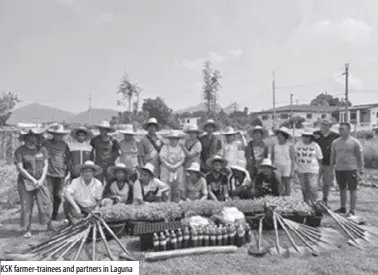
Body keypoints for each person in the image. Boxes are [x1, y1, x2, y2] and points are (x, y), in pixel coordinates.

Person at [14, 128, 52, 237]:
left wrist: (41, 180)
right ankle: (27, 229)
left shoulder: (42, 149)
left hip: (41, 181)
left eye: (36, 136)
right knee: (27, 206)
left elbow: (46, 165)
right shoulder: (20, 151)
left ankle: (49, 224)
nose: (34, 138)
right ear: (26, 138)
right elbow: (20, 168)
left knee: (46, 203)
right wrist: (33, 180)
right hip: (25, 182)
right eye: (31, 136)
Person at [330, 122, 364, 217]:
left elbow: (360, 156)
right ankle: (343, 207)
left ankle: (352, 210)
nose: (340, 131)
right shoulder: (335, 142)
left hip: (351, 169)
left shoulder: (355, 142)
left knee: (352, 189)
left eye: (342, 129)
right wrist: (331, 168)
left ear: (349, 130)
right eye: (339, 129)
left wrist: (361, 168)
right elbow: (333, 156)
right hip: (339, 169)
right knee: (342, 188)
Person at [63, 161, 104, 225]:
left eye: (90, 171)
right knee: (66, 203)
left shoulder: (98, 183)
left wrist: (96, 208)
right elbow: (67, 193)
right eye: (85, 171)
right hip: (79, 206)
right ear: (82, 172)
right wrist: (76, 207)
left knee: (89, 223)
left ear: (93, 173)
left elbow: (99, 199)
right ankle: (75, 221)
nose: (87, 173)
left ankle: (84, 220)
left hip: (91, 208)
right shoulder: (76, 181)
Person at [44, 124, 70, 221]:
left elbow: (68, 158)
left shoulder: (64, 145)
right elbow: (39, 135)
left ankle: (55, 214)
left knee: (58, 195)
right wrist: (49, 126)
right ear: (53, 134)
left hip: (60, 173)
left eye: (60, 135)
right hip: (49, 173)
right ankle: (48, 216)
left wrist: (68, 169)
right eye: (56, 134)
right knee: (48, 195)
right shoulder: (46, 143)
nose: (58, 136)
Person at [314, 120, 339, 206]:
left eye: (326, 125)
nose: (324, 127)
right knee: (314, 182)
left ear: (330, 126)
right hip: (316, 163)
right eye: (322, 125)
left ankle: (325, 199)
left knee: (326, 183)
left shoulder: (335, 136)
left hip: (329, 163)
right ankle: (314, 200)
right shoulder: (315, 134)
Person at [90, 121, 120, 195]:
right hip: (98, 165)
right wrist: (92, 162)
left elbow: (117, 152)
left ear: (108, 130)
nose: (103, 131)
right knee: (98, 184)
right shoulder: (95, 140)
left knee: (110, 183)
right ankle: (98, 198)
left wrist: (112, 159)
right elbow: (91, 151)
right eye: (101, 129)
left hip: (110, 166)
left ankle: (110, 198)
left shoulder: (113, 141)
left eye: (105, 129)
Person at [294, 128, 323, 204]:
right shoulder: (298, 144)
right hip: (301, 170)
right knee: (304, 189)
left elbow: (320, 158)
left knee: (313, 188)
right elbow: (294, 156)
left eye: (307, 136)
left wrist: (320, 169)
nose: (305, 138)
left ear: (311, 137)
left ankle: (315, 204)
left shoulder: (315, 145)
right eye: (304, 136)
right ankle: (306, 204)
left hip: (313, 170)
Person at [159, 131, 186, 202]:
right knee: (165, 186)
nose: (173, 140)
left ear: (177, 140)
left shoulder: (180, 148)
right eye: (171, 138)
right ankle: (166, 202)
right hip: (166, 169)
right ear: (169, 139)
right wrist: (169, 166)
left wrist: (176, 166)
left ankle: (177, 202)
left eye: (175, 139)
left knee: (178, 186)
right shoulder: (165, 147)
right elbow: (161, 157)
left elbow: (183, 159)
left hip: (178, 169)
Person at [271, 127, 295, 196]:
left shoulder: (290, 145)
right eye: (278, 134)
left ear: (285, 136)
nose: (279, 136)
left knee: (287, 183)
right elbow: (272, 156)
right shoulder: (274, 145)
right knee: (279, 183)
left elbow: (293, 158)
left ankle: (287, 197)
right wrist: (272, 166)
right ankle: (281, 197)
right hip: (277, 166)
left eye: (281, 135)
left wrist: (292, 170)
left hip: (287, 166)